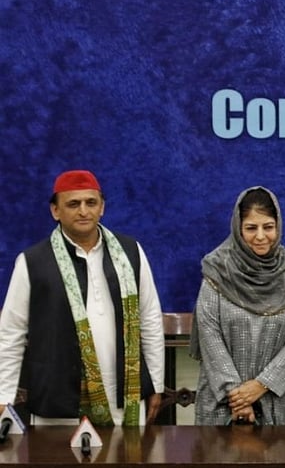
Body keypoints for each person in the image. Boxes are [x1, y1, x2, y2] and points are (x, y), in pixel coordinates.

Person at [0, 170, 164, 425]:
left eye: (91, 203)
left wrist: (156, 383)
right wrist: (4, 395)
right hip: (58, 400)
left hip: (126, 396)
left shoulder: (130, 252)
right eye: (73, 204)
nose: (83, 211)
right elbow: (11, 332)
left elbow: (150, 318)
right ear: (55, 211)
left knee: (128, 463)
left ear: (102, 208)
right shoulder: (32, 262)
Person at [191, 187, 285, 425]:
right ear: (238, 229)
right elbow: (209, 336)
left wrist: (261, 386)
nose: (261, 236)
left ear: (278, 226)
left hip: (279, 405)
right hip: (223, 406)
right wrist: (238, 396)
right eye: (251, 228)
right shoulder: (217, 271)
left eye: (268, 227)